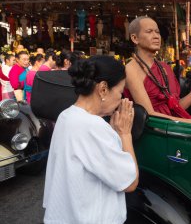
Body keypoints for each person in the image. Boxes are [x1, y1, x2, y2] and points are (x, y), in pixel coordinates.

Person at [43, 56, 138, 223]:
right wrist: (125, 135)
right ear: (103, 89)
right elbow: (129, 183)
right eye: (120, 92)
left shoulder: (66, 116)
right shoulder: (93, 127)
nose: (121, 99)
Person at [124, 16, 191, 129]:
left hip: (175, 122)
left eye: (157, 32)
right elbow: (149, 114)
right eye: (149, 32)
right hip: (157, 128)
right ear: (134, 38)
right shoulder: (131, 69)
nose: (156, 36)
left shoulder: (164, 68)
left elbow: (176, 107)